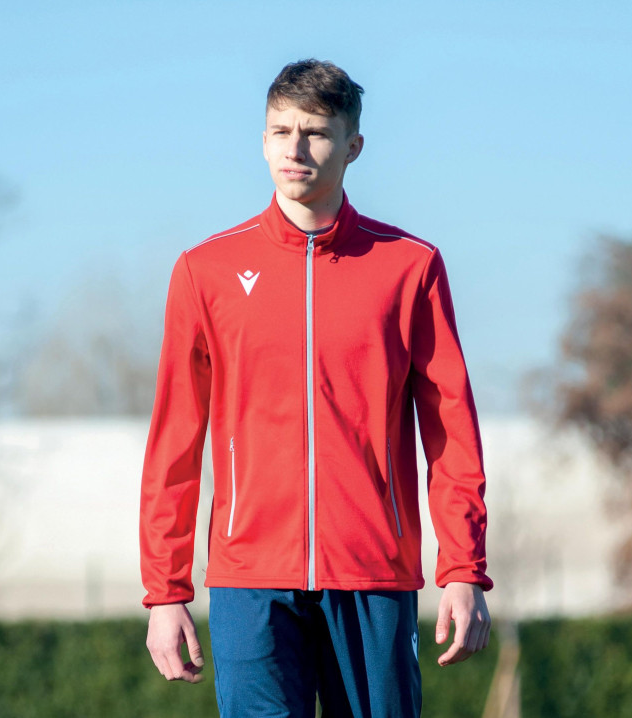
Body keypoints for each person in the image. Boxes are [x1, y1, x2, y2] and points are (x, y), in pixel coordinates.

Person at [140, 58, 493, 718]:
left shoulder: (410, 267)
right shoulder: (204, 271)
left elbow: (451, 432)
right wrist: (165, 590)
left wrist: (463, 568)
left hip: (373, 572)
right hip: (250, 578)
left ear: (352, 145)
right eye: (280, 132)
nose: (295, 149)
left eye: (315, 133)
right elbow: (174, 443)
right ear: (261, 140)